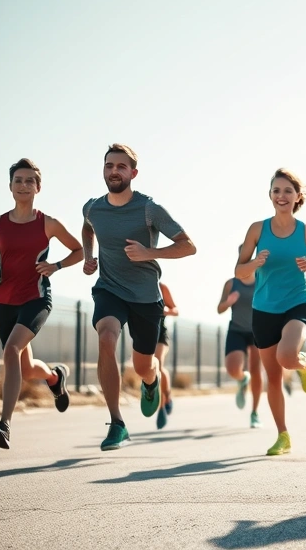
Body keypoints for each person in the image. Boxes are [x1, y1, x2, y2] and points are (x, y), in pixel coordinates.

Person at [82, 143, 197, 451]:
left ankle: (151, 381)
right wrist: (88, 256)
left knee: (143, 366)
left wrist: (150, 252)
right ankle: (117, 423)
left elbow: (188, 245)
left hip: (146, 297)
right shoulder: (93, 207)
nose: (114, 171)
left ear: (133, 173)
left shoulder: (149, 209)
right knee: (106, 337)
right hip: (109, 288)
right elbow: (88, 228)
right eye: (109, 166)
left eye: (121, 166)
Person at [0, 158, 84, 449]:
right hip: (5, 300)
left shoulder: (47, 223)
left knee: (11, 350)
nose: (23, 185)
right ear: (10, 186)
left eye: (29, 181)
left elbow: (79, 250)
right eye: (18, 180)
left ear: (38, 187)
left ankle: (5, 424)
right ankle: (54, 377)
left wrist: (56, 265)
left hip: (36, 298)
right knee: (26, 365)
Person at [234, 168, 306, 455]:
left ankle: (303, 363)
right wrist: (254, 264)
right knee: (273, 378)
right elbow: (239, 271)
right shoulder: (257, 229)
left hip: (298, 304)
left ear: (297, 197)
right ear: (270, 195)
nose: (282, 196)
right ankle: (283, 436)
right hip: (263, 309)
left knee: (286, 357)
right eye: (276, 191)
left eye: (288, 191)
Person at [218, 252, 264, 428]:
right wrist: (228, 302)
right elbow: (219, 309)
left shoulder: (262, 282)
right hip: (236, 330)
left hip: (258, 331)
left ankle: (254, 412)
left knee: (256, 368)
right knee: (232, 369)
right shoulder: (231, 283)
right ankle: (242, 379)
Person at [153, 282, 178, 429]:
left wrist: (166, 311)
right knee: (148, 368)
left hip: (161, 335)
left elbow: (176, 310)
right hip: (145, 334)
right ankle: (167, 395)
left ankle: (162, 405)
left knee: (158, 363)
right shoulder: (135, 283)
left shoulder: (161, 287)